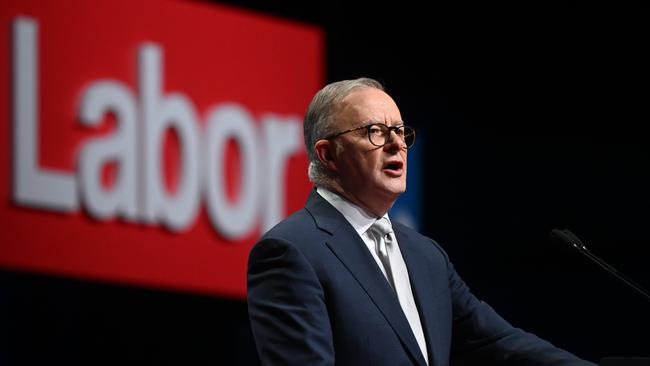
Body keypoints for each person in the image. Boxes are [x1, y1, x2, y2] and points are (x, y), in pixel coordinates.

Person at [247, 77, 596, 366]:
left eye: (399, 131)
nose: (397, 144)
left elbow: (500, 342)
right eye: (375, 131)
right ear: (328, 154)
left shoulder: (426, 255)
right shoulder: (292, 251)